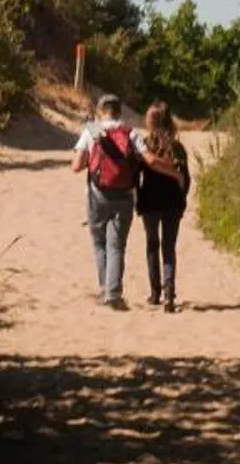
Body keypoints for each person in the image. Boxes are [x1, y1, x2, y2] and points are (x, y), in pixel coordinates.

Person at [71, 92, 140, 308]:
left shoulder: (91, 131)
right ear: (119, 111)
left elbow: (76, 166)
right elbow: (141, 160)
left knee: (100, 243)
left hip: (97, 195)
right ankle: (114, 293)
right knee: (116, 246)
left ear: (101, 111)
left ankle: (104, 291)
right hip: (124, 196)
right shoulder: (131, 133)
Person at [135, 101, 190, 312]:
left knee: (152, 244)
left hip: (150, 201)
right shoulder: (177, 149)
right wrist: (182, 199)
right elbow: (186, 179)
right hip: (172, 203)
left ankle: (155, 292)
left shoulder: (144, 145)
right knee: (169, 247)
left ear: (151, 121)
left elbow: (135, 175)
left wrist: (137, 198)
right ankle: (169, 293)